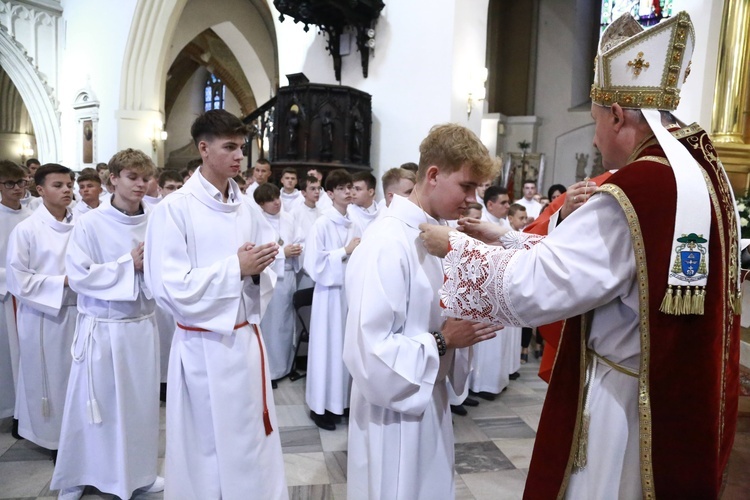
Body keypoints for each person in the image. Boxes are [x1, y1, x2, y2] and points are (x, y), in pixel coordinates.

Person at [419, 11, 740, 498]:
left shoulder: (635, 192)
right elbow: (594, 269)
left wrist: (457, 246)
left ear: (615, 114)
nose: (593, 138)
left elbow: (538, 289)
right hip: (677, 400)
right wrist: (505, 238)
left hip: (624, 403)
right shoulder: (702, 175)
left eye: (594, 121)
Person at [344, 124, 500, 499]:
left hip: (428, 397)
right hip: (393, 414)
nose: (471, 198)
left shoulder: (436, 236)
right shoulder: (385, 242)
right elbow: (368, 352)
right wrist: (444, 340)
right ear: (433, 175)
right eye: (466, 186)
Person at [144, 109, 287, 499]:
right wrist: (234, 268)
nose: (240, 156)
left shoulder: (247, 207)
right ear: (204, 149)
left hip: (244, 342)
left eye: (241, 147)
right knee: (206, 446)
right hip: (203, 348)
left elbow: (268, 264)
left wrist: (258, 268)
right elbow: (168, 287)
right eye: (230, 147)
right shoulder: (174, 210)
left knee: (251, 442)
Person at [52, 149, 163, 500]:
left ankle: (139, 474)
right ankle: (79, 475)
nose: (141, 184)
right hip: (102, 327)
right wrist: (127, 263)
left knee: (140, 408)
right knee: (94, 408)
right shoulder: (90, 222)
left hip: (142, 326)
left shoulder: (158, 218)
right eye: (132, 177)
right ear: (112, 179)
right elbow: (79, 275)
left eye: (145, 178)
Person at [6, 163, 77, 455]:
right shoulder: (27, 230)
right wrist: (63, 282)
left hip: (81, 312)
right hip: (44, 315)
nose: (67, 190)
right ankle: (55, 441)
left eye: (69, 185)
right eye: (58, 185)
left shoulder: (83, 223)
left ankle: (79, 437)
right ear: (40, 190)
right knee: (53, 380)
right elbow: (18, 279)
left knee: (78, 380)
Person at [303, 168, 361, 431]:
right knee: (327, 349)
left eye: (350, 187)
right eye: (341, 188)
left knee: (345, 348)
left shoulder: (354, 221)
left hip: (348, 295)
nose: (348, 192)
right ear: (329, 193)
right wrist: (344, 251)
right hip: (328, 296)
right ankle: (321, 406)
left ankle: (342, 402)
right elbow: (313, 264)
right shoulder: (322, 223)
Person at [254, 182, 301, 383]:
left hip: (289, 276)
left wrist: (297, 249)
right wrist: (283, 252)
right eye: (271, 200)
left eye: (277, 198)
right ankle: (269, 371)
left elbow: (301, 239)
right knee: (271, 326)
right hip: (270, 279)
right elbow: (257, 251)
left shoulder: (289, 218)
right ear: (261, 204)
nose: (276, 203)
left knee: (287, 325)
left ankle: (286, 366)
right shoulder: (256, 222)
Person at [0, 161, 32, 431]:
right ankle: (9, 410)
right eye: (10, 183)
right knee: (7, 357)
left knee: (27, 356)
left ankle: (25, 412)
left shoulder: (33, 214)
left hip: (31, 295)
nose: (17, 189)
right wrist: (12, 278)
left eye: (22, 182)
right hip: (4, 296)